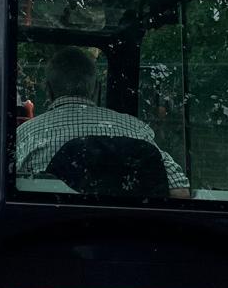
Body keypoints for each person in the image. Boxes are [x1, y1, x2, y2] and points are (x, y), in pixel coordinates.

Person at [15, 46, 189, 195]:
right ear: (96, 88)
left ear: (48, 89)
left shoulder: (26, 134)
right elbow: (180, 190)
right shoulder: (136, 129)